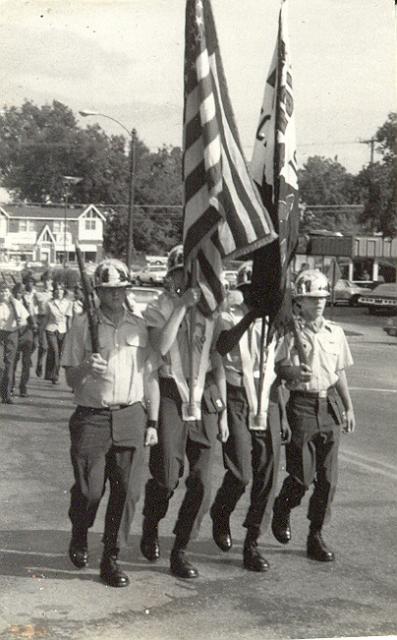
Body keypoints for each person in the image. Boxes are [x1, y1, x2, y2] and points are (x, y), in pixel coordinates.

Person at [61, 258, 159, 588]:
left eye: (120, 288)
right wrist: (88, 366)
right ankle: (79, 530)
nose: (115, 294)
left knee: (128, 492)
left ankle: (111, 556)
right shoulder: (81, 325)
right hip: (92, 417)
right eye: (108, 290)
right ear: (98, 292)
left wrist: (152, 420)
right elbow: (70, 379)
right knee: (89, 491)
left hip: (131, 414)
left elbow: (149, 375)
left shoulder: (139, 325)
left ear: (127, 289)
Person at [140, 244, 228, 579]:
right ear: (172, 275)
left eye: (195, 274)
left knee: (203, 482)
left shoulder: (211, 310)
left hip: (202, 397)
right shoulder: (158, 307)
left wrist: (220, 410)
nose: (188, 279)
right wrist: (181, 307)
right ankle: (151, 522)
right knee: (165, 476)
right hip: (171, 396)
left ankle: (181, 548)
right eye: (182, 273)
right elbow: (159, 348)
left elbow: (217, 357)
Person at [210, 262, 291, 572]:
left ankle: (252, 542)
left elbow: (277, 370)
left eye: (260, 293)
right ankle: (222, 511)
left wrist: (282, 409)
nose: (253, 297)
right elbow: (223, 345)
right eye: (248, 291)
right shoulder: (230, 316)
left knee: (267, 476)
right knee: (241, 472)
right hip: (236, 399)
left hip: (267, 402)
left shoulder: (276, 324)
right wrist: (249, 318)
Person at [271, 269, 356, 562]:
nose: (318, 302)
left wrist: (348, 406)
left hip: (328, 405)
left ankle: (315, 535)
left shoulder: (336, 332)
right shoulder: (289, 332)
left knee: (328, 479)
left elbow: (339, 372)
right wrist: (293, 371)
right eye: (311, 298)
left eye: (322, 297)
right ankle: (283, 506)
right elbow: (278, 370)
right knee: (301, 477)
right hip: (302, 406)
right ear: (299, 302)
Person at [0, 282, 30, 404]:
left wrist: (19, 324)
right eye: (1, 291)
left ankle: (6, 395)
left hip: (11, 334)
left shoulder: (16, 304)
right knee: (0, 366)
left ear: (10, 293)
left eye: (6, 291)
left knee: (9, 364)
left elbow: (25, 319)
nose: (3, 294)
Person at [11, 282, 37, 398]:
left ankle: (23, 387)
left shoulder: (28, 303)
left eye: (21, 292)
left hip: (27, 335)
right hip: (15, 334)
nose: (19, 294)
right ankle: (10, 385)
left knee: (26, 364)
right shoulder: (10, 304)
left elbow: (33, 320)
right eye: (17, 292)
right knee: (13, 362)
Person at [44, 282, 72, 384]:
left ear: (64, 291)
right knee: (54, 351)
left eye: (61, 290)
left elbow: (68, 318)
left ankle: (51, 374)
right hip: (51, 329)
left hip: (63, 329)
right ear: (54, 291)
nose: (59, 292)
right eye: (57, 289)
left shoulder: (68, 303)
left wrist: (70, 332)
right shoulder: (49, 303)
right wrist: (41, 331)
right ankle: (54, 376)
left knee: (59, 353)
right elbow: (45, 318)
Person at [35, 272, 54, 377]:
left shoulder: (54, 293)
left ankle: (49, 373)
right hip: (42, 319)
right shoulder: (38, 294)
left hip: (52, 321)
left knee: (52, 348)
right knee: (44, 346)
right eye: (46, 280)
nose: (48, 282)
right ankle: (39, 363)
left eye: (49, 280)